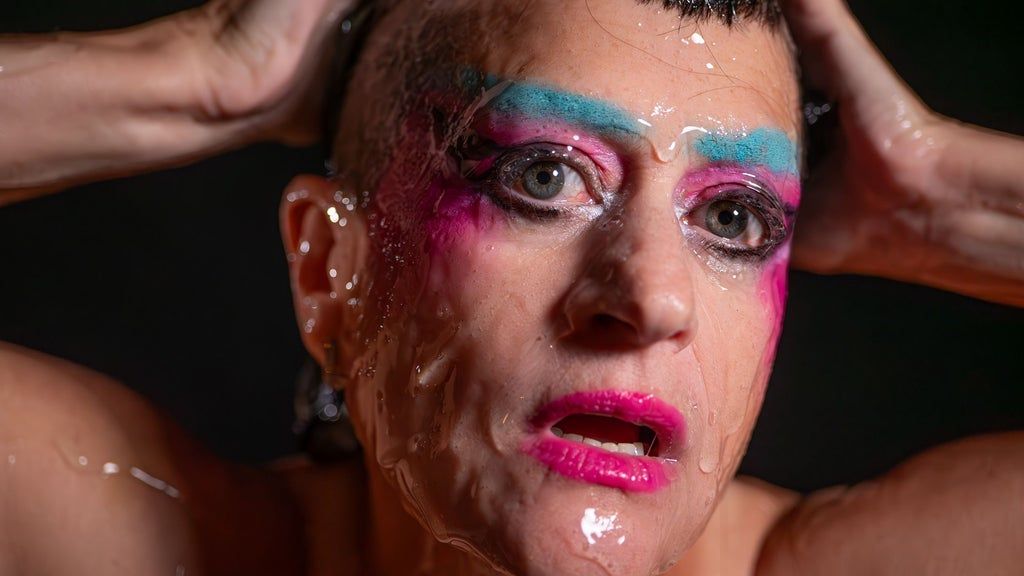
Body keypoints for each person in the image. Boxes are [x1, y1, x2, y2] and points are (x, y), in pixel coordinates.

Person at [0, 0, 1021, 575]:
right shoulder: (132, 544)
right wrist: (191, 83)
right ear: (328, 269)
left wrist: (945, 206)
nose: (650, 298)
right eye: (543, 178)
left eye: (732, 219)